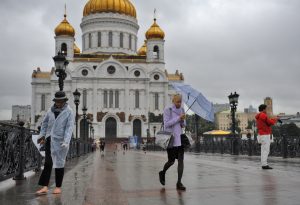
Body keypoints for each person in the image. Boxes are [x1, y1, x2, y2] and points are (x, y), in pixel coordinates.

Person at [35, 91, 75, 195]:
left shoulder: (69, 111)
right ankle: (44, 186)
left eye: (60, 101)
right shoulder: (50, 111)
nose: (58, 103)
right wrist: (42, 135)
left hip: (61, 141)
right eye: (57, 101)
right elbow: (44, 124)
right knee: (48, 162)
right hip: (49, 139)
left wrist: (66, 141)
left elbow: (69, 127)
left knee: (59, 163)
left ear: (64, 101)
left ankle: (58, 187)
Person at [159, 94, 186, 191]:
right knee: (171, 161)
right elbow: (167, 124)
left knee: (181, 161)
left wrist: (183, 121)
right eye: (177, 102)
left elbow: (183, 125)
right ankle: (162, 172)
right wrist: (178, 118)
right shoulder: (168, 109)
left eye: (180, 102)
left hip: (180, 139)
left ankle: (179, 182)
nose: (179, 104)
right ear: (173, 101)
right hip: (171, 139)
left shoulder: (182, 109)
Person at [255, 104, 278, 169]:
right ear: (263, 109)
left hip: (261, 134)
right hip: (265, 134)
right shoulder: (263, 115)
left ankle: (263, 164)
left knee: (263, 150)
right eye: (266, 109)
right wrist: (275, 119)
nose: (266, 110)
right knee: (266, 150)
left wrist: (272, 119)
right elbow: (270, 123)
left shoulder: (259, 115)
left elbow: (267, 122)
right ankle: (264, 165)